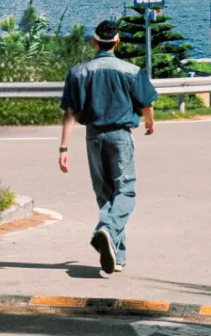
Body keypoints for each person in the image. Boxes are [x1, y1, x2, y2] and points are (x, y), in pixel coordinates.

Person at [58, 17, 158, 276]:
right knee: (125, 192)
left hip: (93, 136)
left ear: (95, 42)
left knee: (105, 195)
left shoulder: (78, 72)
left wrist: (63, 149)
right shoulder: (131, 71)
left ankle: (117, 255)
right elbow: (146, 104)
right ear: (117, 41)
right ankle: (107, 231)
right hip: (120, 135)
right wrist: (150, 123)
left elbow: (70, 112)